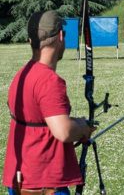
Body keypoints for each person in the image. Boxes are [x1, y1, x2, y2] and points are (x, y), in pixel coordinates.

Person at [2, 10, 95, 195]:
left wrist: (75, 121)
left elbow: (40, 119)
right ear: (61, 36)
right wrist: (83, 128)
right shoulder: (49, 81)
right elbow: (63, 131)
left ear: (31, 40)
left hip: (20, 179)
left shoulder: (23, 74)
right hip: (43, 184)